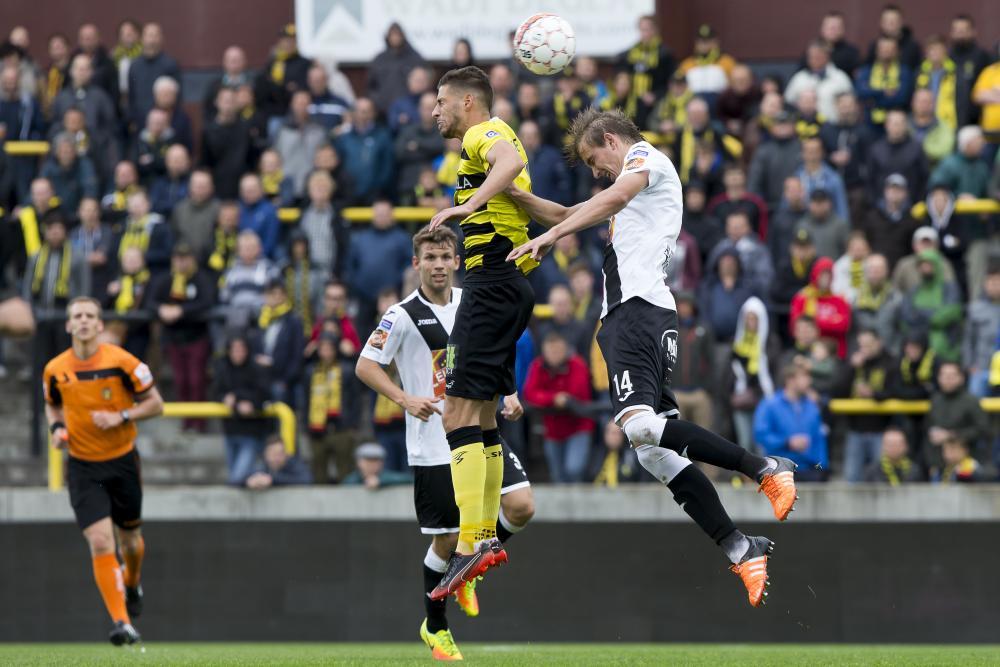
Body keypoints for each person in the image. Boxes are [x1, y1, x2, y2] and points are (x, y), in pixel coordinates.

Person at [509, 108, 799, 609]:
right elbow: (567, 215)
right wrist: (509, 194)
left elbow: (605, 200)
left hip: (637, 311)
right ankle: (739, 546)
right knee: (652, 451)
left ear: (609, 138)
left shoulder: (643, 158)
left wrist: (552, 238)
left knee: (639, 428)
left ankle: (764, 467)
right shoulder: (627, 193)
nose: (596, 171)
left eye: (593, 159)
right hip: (637, 314)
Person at [355, 225, 534, 660]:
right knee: (447, 539)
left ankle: (468, 570)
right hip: (433, 441)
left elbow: (492, 356)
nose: (438, 265)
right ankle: (435, 624)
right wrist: (403, 397)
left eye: (444, 257)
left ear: (458, 262)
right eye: (429, 258)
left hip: (478, 427)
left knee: (521, 507)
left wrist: (508, 393)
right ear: (416, 264)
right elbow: (365, 364)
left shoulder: (474, 305)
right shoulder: (400, 315)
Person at [43, 296, 165, 646]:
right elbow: (53, 407)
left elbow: (156, 403)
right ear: (68, 325)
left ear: (99, 325)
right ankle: (122, 622)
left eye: (90, 316)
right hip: (82, 465)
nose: (82, 321)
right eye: (76, 316)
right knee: (100, 541)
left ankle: (132, 581)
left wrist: (121, 416)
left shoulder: (123, 362)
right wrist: (56, 431)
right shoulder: (55, 369)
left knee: (130, 542)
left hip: (123, 461)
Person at [147, 243, 215, 431]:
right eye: (177, 258)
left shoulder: (201, 279)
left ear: (192, 260)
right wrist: (162, 309)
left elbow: (207, 301)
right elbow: (151, 301)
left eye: (185, 258)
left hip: (196, 337)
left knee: (196, 381)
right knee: (181, 381)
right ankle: (186, 422)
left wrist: (181, 310)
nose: (181, 262)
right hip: (174, 339)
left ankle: (199, 422)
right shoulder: (166, 280)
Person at [523, 330, 594, 482]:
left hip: (578, 427)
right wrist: (554, 398)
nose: (553, 355)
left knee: (574, 469)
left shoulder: (577, 364)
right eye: (550, 351)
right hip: (552, 430)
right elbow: (530, 393)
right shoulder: (538, 366)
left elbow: (576, 393)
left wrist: (548, 397)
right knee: (557, 475)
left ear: (565, 350)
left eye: (557, 351)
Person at [834, 329, 897, 482]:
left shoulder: (890, 363)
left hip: (881, 430)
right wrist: (851, 368)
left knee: (881, 477)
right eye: (861, 346)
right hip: (856, 429)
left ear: (879, 343)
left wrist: (873, 394)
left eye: (868, 345)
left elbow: (895, 391)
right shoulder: (853, 364)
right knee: (852, 477)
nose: (864, 350)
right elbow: (837, 391)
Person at [752, 365, 828, 481]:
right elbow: (761, 434)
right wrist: (787, 442)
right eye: (804, 376)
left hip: (810, 471)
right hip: (780, 472)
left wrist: (823, 468)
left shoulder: (812, 406)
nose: (809, 381)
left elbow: (819, 439)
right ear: (790, 380)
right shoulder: (770, 405)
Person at [214, 334, 269, 485]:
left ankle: (258, 475)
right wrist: (226, 398)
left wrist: (238, 397)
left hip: (251, 431)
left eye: (241, 349)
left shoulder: (256, 369)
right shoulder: (223, 368)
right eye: (234, 350)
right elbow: (216, 393)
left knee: (237, 478)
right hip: (230, 429)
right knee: (235, 477)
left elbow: (264, 394)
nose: (238, 353)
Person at [307, 332, 359, 483]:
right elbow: (305, 399)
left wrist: (353, 425)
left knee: (345, 471)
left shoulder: (347, 369)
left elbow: (355, 399)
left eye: (329, 349)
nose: (326, 352)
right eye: (322, 349)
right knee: (318, 472)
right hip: (317, 428)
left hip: (342, 427)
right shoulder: (311, 371)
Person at [927, 362, 989, 478]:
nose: (947, 379)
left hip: (968, 462)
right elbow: (928, 433)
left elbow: (983, 430)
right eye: (944, 375)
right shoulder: (935, 400)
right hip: (940, 463)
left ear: (961, 378)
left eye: (951, 376)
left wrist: (952, 435)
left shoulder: (971, 401)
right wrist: (932, 462)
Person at [729, 297, 774, 454]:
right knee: (744, 442)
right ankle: (746, 478)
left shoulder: (770, 343)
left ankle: (765, 478)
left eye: (755, 319)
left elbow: (774, 370)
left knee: (761, 443)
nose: (751, 323)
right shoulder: (737, 343)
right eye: (748, 319)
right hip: (742, 398)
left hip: (764, 398)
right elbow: (730, 373)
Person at [333, 97, 395, 204]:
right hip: (347, 195)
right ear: (353, 113)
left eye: (366, 111)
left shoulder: (383, 136)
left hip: (375, 196)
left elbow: (387, 166)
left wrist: (378, 188)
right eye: (360, 111)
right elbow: (338, 164)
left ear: (373, 113)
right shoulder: (343, 138)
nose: (363, 114)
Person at [254, 278, 304, 406]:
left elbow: (297, 356)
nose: (275, 297)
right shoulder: (260, 318)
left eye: (279, 293)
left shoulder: (293, 321)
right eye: (271, 293)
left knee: (278, 392)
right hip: (260, 376)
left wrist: (285, 380)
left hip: (282, 378)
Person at [790, 257, 851, 358]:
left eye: (828, 275)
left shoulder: (839, 300)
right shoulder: (803, 297)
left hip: (836, 353)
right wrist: (831, 321)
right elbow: (795, 326)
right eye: (822, 274)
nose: (825, 279)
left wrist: (814, 323)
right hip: (808, 352)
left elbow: (843, 325)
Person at [272, 90, 328, 198]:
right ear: (292, 105)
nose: (301, 107)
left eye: (305, 103)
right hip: (286, 186)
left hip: (311, 187)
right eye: (299, 103)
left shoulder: (319, 131)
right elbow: (275, 157)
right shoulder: (282, 130)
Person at [858, 174, 921, 269]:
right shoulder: (872, 217)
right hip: (876, 270)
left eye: (899, 190)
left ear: (905, 193)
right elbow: (865, 242)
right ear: (885, 191)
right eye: (891, 189)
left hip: (901, 271)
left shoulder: (912, 221)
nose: (894, 192)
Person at [201, 87, 253, 200]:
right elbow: (204, 163)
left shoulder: (246, 129)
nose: (228, 105)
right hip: (217, 188)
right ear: (216, 102)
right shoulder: (208, 131)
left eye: (232, 101)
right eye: (225, 100)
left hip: (242, 189)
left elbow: (252, 159)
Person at [867, 111, 928, 205]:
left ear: (906, 126)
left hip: (911, 205)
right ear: (886, 125)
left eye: (900, 124)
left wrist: (918, 202)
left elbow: (924, 177)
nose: (897, 128)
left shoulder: (916, 149)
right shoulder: (876, 149)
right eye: (894, 124)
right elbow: (870, 179)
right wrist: (875, 203)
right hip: (881, 206)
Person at [616, 15, 675, 111]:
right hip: (632, 102)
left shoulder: (665, 54)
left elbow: (671, 81)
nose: (644, 34)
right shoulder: (631, 53)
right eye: (642, 30)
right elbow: (620, 69)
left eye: (647, 30)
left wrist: (656, 95)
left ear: (655, 30)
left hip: (656, 102)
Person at [127, 23, 180, 128]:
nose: (152, 40)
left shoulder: (170, 64)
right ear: (142, 39)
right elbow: (131, 97)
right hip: (140, 121)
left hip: (164, 122)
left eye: (155, 36)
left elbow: (177, 97)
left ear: (161, 39)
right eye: (149, 35)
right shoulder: (134, 65)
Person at [784, 42, 853, 123]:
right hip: (804, 129)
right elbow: (788, 101)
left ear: (827, 56)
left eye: (818, 56)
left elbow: (850, 103)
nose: (814, 59)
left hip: (833, 126)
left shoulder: (840, 77)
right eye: (811, 56)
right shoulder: (800, 78)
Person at [394, 91, 445, 199]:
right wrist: (430, 152)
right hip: (409, 187)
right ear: (419, 109)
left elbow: (442, 148)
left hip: (438, 189)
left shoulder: (445, 130)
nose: (428, 111)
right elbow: (399, 153)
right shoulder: (407, 131)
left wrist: (418, 145)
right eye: (425, 107)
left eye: (431, 107)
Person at [367, 22, 427, 114]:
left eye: (398, 35)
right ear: (388, 37)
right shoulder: (379, 59)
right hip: (382, 112)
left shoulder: (414, 58)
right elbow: (370, 86)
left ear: (403, 36)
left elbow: (423, 83)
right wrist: (378, 101)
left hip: (409, 111)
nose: (395, 38)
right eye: (392, 35)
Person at [855, 37, 913, 128]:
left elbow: (901, 98)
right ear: (877, 51)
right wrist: (883, 92)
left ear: (897, 51)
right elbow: (860, 93)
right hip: (869, 124)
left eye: (890, 49)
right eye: (883, 48)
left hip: (896, 123)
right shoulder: (866, 71)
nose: (886, 51)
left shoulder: (904, 72)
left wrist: (873, 101)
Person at [949, 15, 992, 129]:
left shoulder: (981, 56)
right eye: (957, 30)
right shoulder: (947, 57)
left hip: (974, 119)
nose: (960, 34)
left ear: (973, 32)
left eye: (963, 30)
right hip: (949, 116)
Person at [964, 269, 1000, 397]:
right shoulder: (975, 309)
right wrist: (970, 364)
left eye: (998, 282)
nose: (995, 286)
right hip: (981, 366)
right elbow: (968, 339)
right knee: (976, 404)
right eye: (991, 282)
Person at [930, 125, 991, 198]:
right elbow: (936, 188)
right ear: (967, 143)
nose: (982, 144)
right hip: (953, 208)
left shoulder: (982, 166)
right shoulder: (949, 164)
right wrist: (957, 196)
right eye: (978, 141)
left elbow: (987, 191)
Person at [796, 189, 849, 260]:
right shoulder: (802, 226)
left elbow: (847, 252)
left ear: (829, 203)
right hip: (810, 269)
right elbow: (796, 251)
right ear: (810, 204)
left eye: (822, 202)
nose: (819, 206)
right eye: (815, 202)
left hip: (835, 268)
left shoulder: (840, 225)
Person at [245, 435, 312, 489]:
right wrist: (249, 481)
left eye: (280, 454)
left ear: (286, 454)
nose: (276, 458)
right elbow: (239, 479)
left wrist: (272, 480)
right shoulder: (261, 464)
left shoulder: (294, 463)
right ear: (265, 454)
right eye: (273, 454)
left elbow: (306, 479)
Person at [340, 441, 412, 487]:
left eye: (375, 461)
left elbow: (410, 479)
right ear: (359, 462)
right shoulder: (352, 479)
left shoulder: (386, 475)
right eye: (368, 461)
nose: (372, 465)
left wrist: (381, 481)